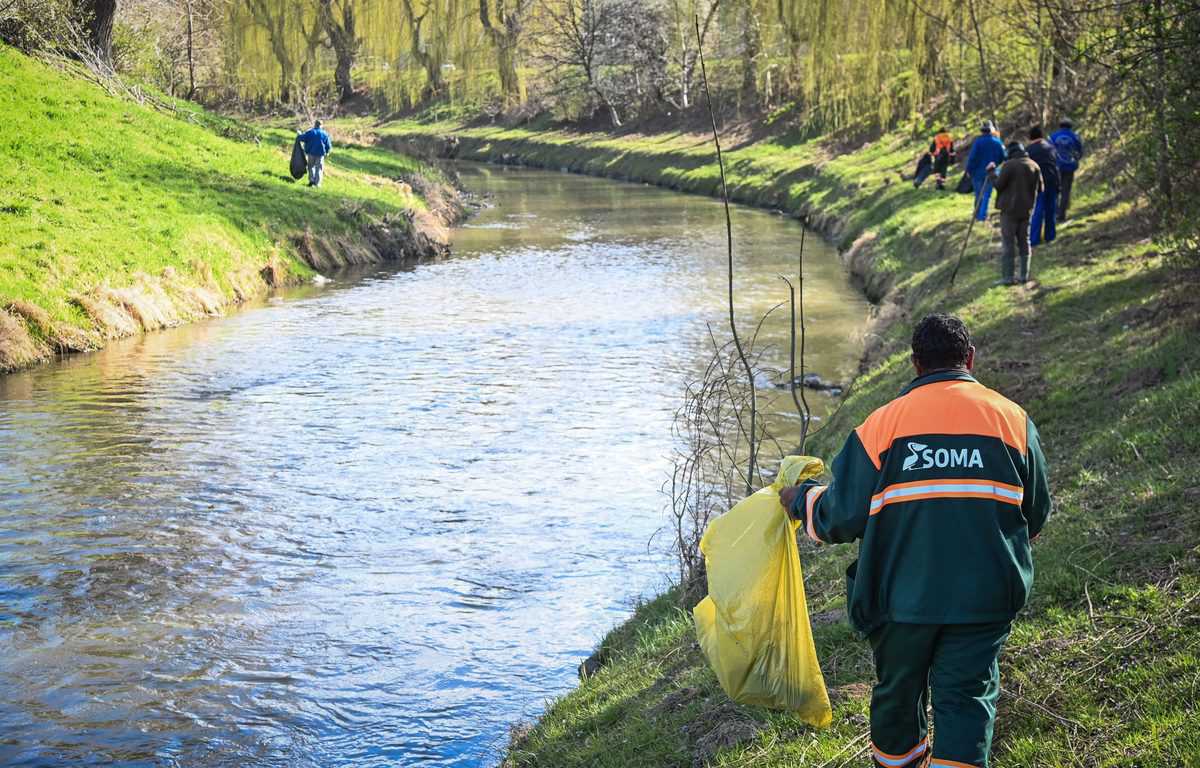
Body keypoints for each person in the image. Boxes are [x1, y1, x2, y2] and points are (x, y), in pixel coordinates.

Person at [780, 313, 1051, 768]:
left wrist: (800, 499)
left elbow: (839, 518)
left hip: (900, 602)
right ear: (969, 358)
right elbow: (1034, 514)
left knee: (897, 699)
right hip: (983, 599)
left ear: (915, 364)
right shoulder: (1013, 421)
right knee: (967, 702)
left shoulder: (882, 426)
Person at [988, 141, 1043, 285]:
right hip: (1027, 210)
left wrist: (991, 173)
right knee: (1024, 240)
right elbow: (1041, 188)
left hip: (1009, 210)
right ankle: (1024, 275)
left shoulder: (1010, 165)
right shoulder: (1034, 165)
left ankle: (1008, 277)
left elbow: (999, 185)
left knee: (1008, 242)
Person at [1025, 126, 1061, 246]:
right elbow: (1056, 165)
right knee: (1050, 210)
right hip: (1052, 181)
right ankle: (1050, 236)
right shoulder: (1051, 148)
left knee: (1037, 211)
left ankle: (1034, 239)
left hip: (1037, 183)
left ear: (1031, 137)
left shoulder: (1029, 151)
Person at [965, 121, 1006, 221]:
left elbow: (972, 158)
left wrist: (968, 170)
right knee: (987, 195)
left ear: (982, 131)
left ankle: (978, 215)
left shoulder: (978, 142)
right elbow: (1003, 157)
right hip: (991, 172)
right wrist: (995, 164)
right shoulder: (997, 142)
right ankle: (982, 216)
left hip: (977, 173)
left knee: (979, 194)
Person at [1050, 118, 1083, 222]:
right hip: (1069, 166)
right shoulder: (1075, 136)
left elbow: (1048, 151)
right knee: (1066, 191)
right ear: (1070, 126)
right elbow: (1080, 151)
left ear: (1060, 125)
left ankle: (1054, 214)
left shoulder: (1053, 137)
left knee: (1055, 191)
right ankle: (1062, 215)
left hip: (1056, 167)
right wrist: (1075, 160)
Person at [298, 119, 333, 188]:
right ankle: (317, 184)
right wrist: (327, 152)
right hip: (320, 154)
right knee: (319, 168)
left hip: (311, 153)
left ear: (315, 124)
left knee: (311, 167)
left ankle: (311, 181)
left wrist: (299, 134)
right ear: (321, 125)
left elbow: (302, 138)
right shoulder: (325, 134)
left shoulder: (310, 132)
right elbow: (328, 145)